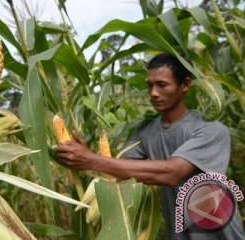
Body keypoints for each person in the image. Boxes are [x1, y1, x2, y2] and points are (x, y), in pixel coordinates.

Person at [56, 53, 245, 239]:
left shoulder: (210, 130)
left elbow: (172, 173)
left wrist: (92, 160)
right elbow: (117, 168)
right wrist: (87, 154)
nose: (153, 93)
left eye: (162, 85)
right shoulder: (146, 133)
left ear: (185, 84)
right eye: (150, 86)